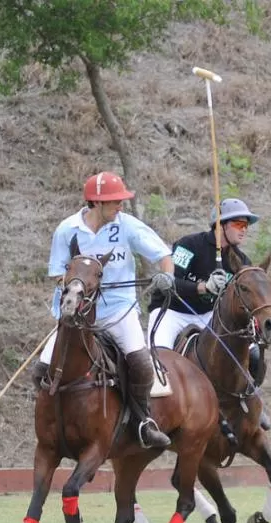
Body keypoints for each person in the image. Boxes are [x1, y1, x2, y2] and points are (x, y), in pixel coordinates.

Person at [33, 171, 174, 448]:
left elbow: (163, 255)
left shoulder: (127, 226)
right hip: (77, 316)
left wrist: (166, 275)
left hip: (119, 309)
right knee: (40, 370)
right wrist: (76, 287)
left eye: (121, 200)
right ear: (96, 203)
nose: (120, 205)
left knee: (141, 364)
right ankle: (49, 423)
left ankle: (142, 421)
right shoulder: (67, 230)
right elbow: (55, 273)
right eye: (114, 201)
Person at [146, 198, 271, 430]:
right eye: (239, 225)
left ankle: (251, 400)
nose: (244, 231)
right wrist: (203, 287)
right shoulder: (188, 245)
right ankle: (148, 414)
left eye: (246, 226)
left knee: (252, 354)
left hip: (207, 315)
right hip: (172, 310)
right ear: (220, 225)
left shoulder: (241, 261)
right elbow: (171, 282)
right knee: (158, 356)